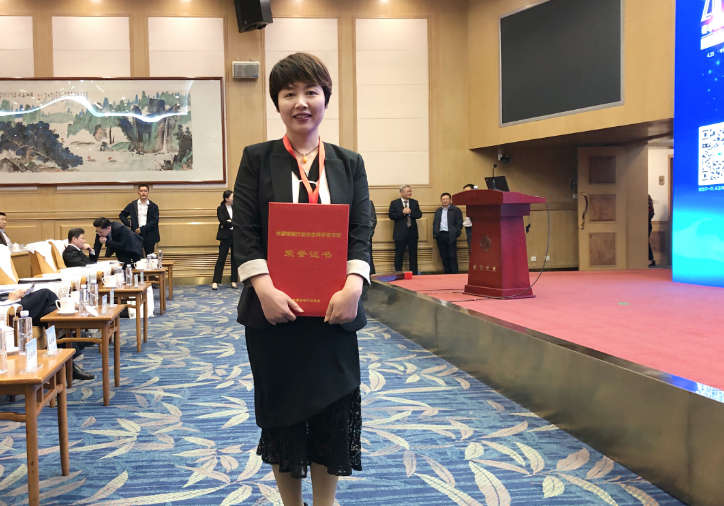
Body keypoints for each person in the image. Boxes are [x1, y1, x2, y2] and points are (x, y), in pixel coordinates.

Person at [233, 52, 369, 506]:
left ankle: (325, 503)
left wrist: (354, 286)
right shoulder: (257, 158)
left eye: (311, 92)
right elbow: (245, 230)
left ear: (325, 98)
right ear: (277, 103)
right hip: (275, 314)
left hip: (334, 312)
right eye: (289, 93)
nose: (301, 102)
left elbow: (361, 229)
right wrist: (264, 290)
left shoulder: (349, 163)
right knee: (283, 415)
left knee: (333, 412)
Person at [1, 287, 95, 380]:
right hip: (5, 306)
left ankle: (70, 365)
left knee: (51, 311)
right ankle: (76, 333)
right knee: (45, 293)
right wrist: (10, 299)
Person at [120, 184, 160, 257]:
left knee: (150, 256)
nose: (143, 193)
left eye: (145, 191)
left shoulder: (153, 206)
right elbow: (122, 215)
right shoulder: (132, 205)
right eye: (141, 191)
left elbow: (155, 221)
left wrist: (142, 229)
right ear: (138, 192)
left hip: (149, 234)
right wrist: (129, 224)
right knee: (137, 256)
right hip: (136, 234)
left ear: (148, 192)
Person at [389, 185, 422, 273]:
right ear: (401, 192)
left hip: (412, 233)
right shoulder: (394, 203)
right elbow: (391, 216)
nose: (409, 193)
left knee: (413, 255)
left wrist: (410, 212)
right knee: (399, 254)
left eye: (410, 191)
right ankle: (398, 273)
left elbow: (419, 214)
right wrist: (402, 213)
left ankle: (414, 273)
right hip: (400, 233)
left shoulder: (414, 202)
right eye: (407, 191)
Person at [212, 190, 238, 290]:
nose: (234, 199)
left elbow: (239, 220)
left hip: (235, 236)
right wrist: (231, 222)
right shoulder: (220, 208)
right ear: (226, 198)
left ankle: (234, 280)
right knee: (221, 259)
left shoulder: (236, 208)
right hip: (225, 237)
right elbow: (222, 221)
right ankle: (215, 281)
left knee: (234, 259)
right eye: (232, 197)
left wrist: (230, 221)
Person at [433, 193, 464, 274]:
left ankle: (455, 274)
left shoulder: (456, 210)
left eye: (447, 199)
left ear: (450, 200)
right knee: (444, 256)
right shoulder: (438, 211)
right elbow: (435, 223)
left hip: (451, 235)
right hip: (440, 235)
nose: (445, 201)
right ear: (441, 200)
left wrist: (456, 232)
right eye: (443, 199)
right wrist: (436, 233)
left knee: (452, 256)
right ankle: (447, 274)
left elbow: (459, 223)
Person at [462, 184, 475, 252]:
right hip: (469, 228)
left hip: (476, 228)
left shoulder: (477, 201)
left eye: (467, 191)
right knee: (470, 249)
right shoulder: (467, 201)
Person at [369, 200, 377, 275]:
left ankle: (371, 276)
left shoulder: (368, 202)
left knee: (368, 257)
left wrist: (369, 234)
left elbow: (373, 220)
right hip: (350, 235)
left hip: (365, 236)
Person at [648, 194, 656, 267]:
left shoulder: (649, 208)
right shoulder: (651, 207)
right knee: (646, 242)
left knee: (646, 243)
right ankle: (651, 259)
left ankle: (651, 259)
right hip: (648, 225)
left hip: (647, 225)